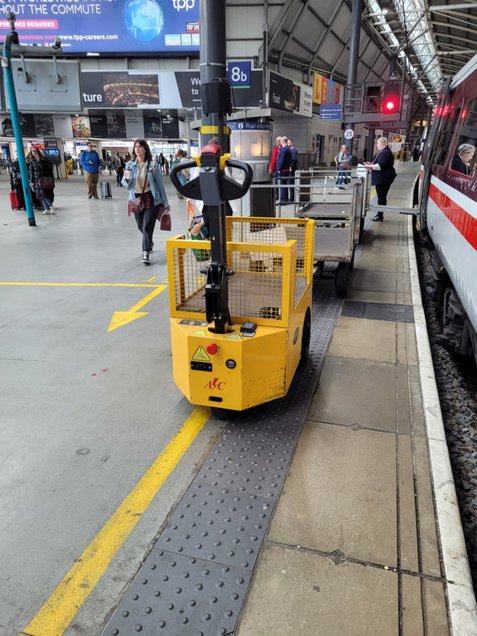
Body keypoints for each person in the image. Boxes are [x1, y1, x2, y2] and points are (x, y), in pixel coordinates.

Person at [123, 138, 170, 265]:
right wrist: (127, 180)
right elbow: (124, 183)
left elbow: (159, 185)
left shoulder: (152, 165)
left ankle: (145, 252)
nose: (137, 149)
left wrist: (165, 203)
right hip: (136, 199)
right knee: (140, 225)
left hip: (151, 198)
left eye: (140, 147)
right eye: (135, 147)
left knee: (147, 225)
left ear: (145, 149)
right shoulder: (129, 165)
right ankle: (149, 241)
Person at [364, 137, 396, 222]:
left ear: (382, 144)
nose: (376, 145)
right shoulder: (383, 151)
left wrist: (369, 166)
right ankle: (380, 214)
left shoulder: (385, 153)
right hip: (383, 178)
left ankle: (380, 215)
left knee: (381, 198)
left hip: (383, 179)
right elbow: (378, 163)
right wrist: (371, 164)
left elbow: (380, 166)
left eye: (378, 143)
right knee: (381, 197)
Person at [27, 147, 56, 215]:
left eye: (35, 151)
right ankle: (46, 208)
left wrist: (39, 160)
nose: (34, 152)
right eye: (32, 151)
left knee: (44, 194)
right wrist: (31, 181)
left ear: (38, 151)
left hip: (43, 179)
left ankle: (51, 206)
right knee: (39, 195)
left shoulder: (44, 160)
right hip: (36, 180)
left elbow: (44, 168)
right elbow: (31, 172)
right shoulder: (32, 161)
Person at [276, 136, 293, 204]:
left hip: (283, 170)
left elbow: (281, 160)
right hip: (286, 169)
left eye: (280, 141)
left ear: (282, 141)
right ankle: (285, 199)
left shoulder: (284, 150)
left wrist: (278, 168)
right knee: (284, 185)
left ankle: (283, 200)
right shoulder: (288, 149)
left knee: (282, 186)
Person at [287, 138, 298, 202]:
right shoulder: (291, 150)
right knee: (290, 183)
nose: (288, 144)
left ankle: (292, 198)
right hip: (292, 169)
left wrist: (291, 167)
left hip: (292, 170)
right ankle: (291, 197)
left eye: (289, 143)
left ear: (292, 143)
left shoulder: (293, 150)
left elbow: (294, 160)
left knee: (291, 183)